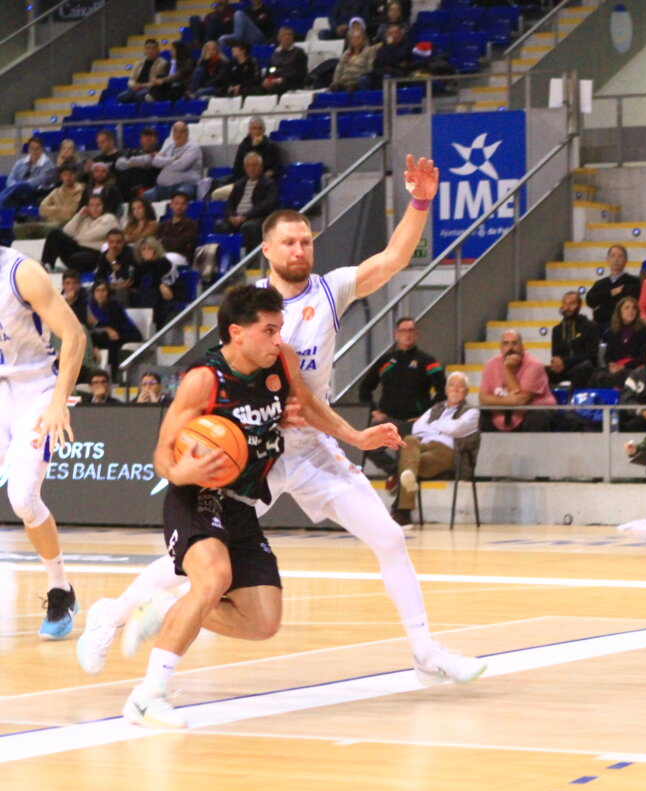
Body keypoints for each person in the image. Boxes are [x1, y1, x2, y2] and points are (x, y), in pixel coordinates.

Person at [79, 158, 486, 690]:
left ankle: (425, 651)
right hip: (255, 448)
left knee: (388, 537)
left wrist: (421, 203)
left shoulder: (330, 289)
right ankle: (112, 614)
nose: (300, 250)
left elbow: (391, 260)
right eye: (289, 242)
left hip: (314, 446)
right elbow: (215, 380)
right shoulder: (249, 311)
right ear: (267, 250)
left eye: (307, 241)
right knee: (196, 556)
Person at [117, 284, 403, 728]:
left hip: (243, 501)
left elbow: (308, 407)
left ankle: (165, 606)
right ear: (237, 333)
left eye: (279, 329)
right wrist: (181, 474)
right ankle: (147, 695)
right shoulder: (203, 380)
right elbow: (162, 451)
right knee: (215, 577)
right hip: (196, 494)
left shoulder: (280, 361)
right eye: (269, 330)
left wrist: (359, 438)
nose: (278, 340)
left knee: (262, 621)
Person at [0, 245, 85, 640]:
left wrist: (57, 402)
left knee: (23, 498)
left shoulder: (22, 273)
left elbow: (74, 335)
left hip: (36, 388)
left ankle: (59, 587)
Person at [390, 371, 480, 526]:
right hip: (423, 447)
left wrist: (432, 426)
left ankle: (403, 512)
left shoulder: (472, 411)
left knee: (408, 462)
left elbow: (456, 429)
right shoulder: (436, 408)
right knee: (409, 440)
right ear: (446, 390)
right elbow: (417, 428)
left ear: (467, 391)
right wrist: (445, 427)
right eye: (452, 385)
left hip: (448, 452)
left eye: (460, 387)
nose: (455, 390)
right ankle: (409, 475)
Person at [357, 316, 445, 473]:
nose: (407, 334)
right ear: (396, 335)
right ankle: (396, 472)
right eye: (403, 331)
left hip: (415, 422)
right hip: (388, 421)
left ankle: (401, 478)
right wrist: (374, 411)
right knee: (366, 444)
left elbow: (442, 391)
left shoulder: (427, 361)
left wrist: (427, 416)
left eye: (411, 330)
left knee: (408, 455)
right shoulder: (385, 361)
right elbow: (365, 388)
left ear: (416, 334)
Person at [479, 329, 557, 431]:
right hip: (502, 417)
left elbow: (521, 400)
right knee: (481, 416)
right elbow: (483, 398)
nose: (510, 348)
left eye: (514, 343)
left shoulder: (534, 365)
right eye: (506, 344)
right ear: (501, 348)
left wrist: (507, 370)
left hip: (532, 413)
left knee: (537, 417)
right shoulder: (491, 364)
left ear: (522, 347)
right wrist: (507, 401)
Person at [215, 152, 279, 250]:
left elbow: (267, 205)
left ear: (261, 167)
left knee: (248, 227)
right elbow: (229, 204)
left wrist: (246, 216)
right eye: (248, 166)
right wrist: (231, 216)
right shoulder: (239, 184)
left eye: (254, 165)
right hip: (237, 218)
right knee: (221, 225)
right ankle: (228, 258)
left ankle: (252, 261)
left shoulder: (269, 183)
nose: (251, 168)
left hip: (257, 219)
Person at [41, 195, 121, 273]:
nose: (95, 208)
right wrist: (79, 215)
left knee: (76, 259)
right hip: (78, 248)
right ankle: (47, 265)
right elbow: (67, 231)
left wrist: (75, 239)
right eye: (91, 205)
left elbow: (92, 236)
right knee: (55, 234)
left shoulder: (109, 218)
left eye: (98, 205)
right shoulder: (84, 218)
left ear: (103, 206)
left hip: (95, 253)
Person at [595, 295, 646, 387]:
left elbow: (644, 356)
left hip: (634, 367)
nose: (631, 311)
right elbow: (608, 355)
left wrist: (624, 366)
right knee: (596, 375)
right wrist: (611, 365)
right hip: (617, 367)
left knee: (617, 377)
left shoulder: (644, 331)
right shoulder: (612, 331)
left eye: (634, 308)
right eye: (627, 308)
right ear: (619, 312)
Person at [85, 280, 141, 370]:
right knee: (91, 337)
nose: (100, 293)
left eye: (103, 290)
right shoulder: (91, 306)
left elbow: (115, 327)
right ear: (93, 293)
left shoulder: (113, 305)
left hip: (128, 334)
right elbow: (90, 327)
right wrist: (104, 328)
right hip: (109, 334)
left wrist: (98, 324)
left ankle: (113, 371)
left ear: (108, 292)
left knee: (107, 339)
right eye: (97, 290)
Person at [18, 164, 83, 240]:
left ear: (76, 176)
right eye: (65, 174)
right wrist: (60, 210)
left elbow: (70, 212)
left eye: (71, 174)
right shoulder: (56, 192)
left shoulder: (83, 191)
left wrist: (53, 212)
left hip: (72, 223)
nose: (68, 177)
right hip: (54, 223)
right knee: (19, 229)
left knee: (48, 229)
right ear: (61, 176)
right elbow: (42, 209)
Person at [550, 290, 600, 388]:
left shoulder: (590, 327)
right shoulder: (557, 330)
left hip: (585, 368)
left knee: (580, 371)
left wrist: (565, 362)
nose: (567, 307)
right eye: (565, 303)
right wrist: (557, 363)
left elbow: (591, 355)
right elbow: (555, 355)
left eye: (572, 303)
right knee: (542, 372)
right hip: (563, 368)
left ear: (579, 306)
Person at [141, 122, 202, 203]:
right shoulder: (169, 146)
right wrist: (174, 159)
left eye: (182, 131)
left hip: (185, 185)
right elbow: (155, 162)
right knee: (144, 198)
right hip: (161, 187)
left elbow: (181, 165)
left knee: (180, 197)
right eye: (175, 131)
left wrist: (164, 162)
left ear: (187, 133)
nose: (178, 134)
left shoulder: (193, 148)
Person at [132, 236, 184, 326]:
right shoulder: (141, 267)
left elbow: (157, 282)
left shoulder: (164, 263)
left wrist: (151, 263)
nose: (146, 252)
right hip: (148, 297)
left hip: (166, 295)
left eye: (150, 249)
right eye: (143, 250)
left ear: (155, 251)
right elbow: (136, 283)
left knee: (150, 295)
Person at [585, 244, 641, 325]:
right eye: (613, 256)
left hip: (623, 323)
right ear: (608, 259)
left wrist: (601, 302)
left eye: (620, 256)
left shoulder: (633, 281)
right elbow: (589, 300)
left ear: (626, 260)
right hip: (601, 323)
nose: (616, 259)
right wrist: (610, 293)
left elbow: (627, 300)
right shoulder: (600, 283)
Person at [0, 137, 55, 209]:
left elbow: (40, 180)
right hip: (17, 192)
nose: (34, 151)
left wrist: (20, 185)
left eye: (37, 148)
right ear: (29, 149)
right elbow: (10, 178)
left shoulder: (48, 164)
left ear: (42, 149)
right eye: (32, 148)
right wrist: (16, 186)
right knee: (15, 192)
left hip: (35, 192)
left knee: (20, 187)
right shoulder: (20, 163)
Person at [115, 128, 162, 204]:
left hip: (149, 184)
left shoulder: (161, 152)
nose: (147, 141)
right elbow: (119, 164)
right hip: (129, 185)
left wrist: (131, 163)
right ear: (141, 139)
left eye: (150, 138)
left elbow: (148, 163)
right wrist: (134, 163)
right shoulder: (132, 152)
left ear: (156, 140)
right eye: (145, 137)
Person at [116, 39, 170, 103]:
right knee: (121, 96)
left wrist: (142, 86)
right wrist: (133, 85)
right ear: (144, 51)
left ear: (158, 50)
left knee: (139, 95)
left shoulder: (162, 63)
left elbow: (156, 81)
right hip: (136, 88)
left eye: (153, 49)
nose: (150, 51)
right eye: (148, 48)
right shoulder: (138, 63)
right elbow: (132, 79)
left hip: (151, 88)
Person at [362, 21, 415, 87]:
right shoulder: (384, 45)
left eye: (396, 32)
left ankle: (388, 97)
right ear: (387, 35)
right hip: (382, 71)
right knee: (364, 78)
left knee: (386, 78)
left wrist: (390, 46)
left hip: (398, 72)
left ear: (401, 34)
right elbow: (377, 62)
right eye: (390, 33)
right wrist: (391, 60)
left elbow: (398, 57)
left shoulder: (406, 45)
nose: (393, 35)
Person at [261, 25, 308, 94]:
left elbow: (299, 73)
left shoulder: (299, 53)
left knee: (275, 89)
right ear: (279, 38)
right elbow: (272, 70)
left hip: (291, 83)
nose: (287, 37)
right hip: (276, 81)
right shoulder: (275, 55)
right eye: (284, 35)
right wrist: (269, 80)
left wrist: (279, 80)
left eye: (290, 35)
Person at [95, 229, 138, 303]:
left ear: (123, 242)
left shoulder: (131, 254)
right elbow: (99, 278)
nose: (114, 245)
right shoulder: (104, 255)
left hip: (132, 288)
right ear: (107, 242)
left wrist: (113, 261)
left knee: (121, 292)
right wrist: (111, 286)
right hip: (112, 286)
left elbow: (126, 278)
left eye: (118, 242)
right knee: (96, 291)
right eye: (111, 242)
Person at [157, 191, 198, 267]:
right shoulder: (163, 225)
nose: (179, 207)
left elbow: (179, 244)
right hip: (163, 254)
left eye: (183, 204)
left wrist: (164, 241)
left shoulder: (191, 224)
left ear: (186, 206)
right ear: (171, 205)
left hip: (181, 256)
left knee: (165, 259)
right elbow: (156, 243)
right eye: (176, 203)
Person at [330, 27, 374, 93]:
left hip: (358, 80)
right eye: (353, 37)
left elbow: (370, 68)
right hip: (344, 81)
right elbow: (339, 69)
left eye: (358, 37)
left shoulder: (369, 51)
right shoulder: (346, 53)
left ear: (364, 39)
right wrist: (336, 81)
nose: (355, 39)